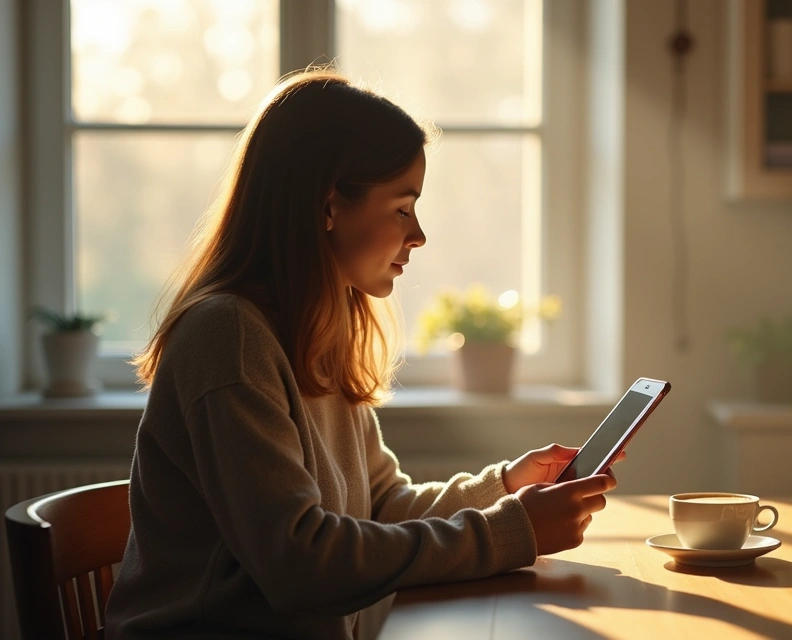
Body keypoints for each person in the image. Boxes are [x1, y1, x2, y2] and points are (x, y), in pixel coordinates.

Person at [105, 68, 617, 640]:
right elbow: (300, 564)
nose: (418, 234)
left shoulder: (314, 333)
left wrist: (503, 488)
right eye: (402, 208)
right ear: (328, 206)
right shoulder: (229, 338)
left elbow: (379, 507)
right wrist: (508, 532)